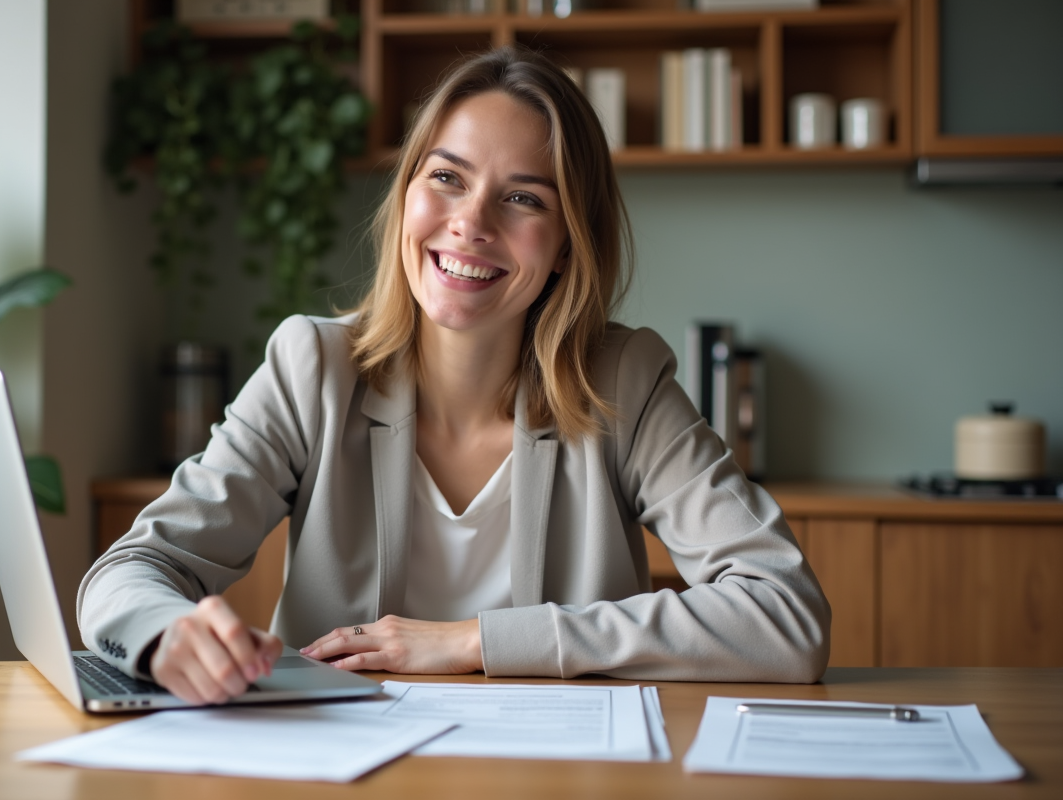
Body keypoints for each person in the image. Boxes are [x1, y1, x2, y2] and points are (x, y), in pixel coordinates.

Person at [78, 46, 830, 706]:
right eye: (446, 177)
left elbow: (786, 616)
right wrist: (166, 633)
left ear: (567, 245)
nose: (471, 222)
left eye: (523, 198)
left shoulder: (623, 383)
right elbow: (134, 569)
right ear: (407, 195)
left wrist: (475, 640)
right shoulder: (312, 369)